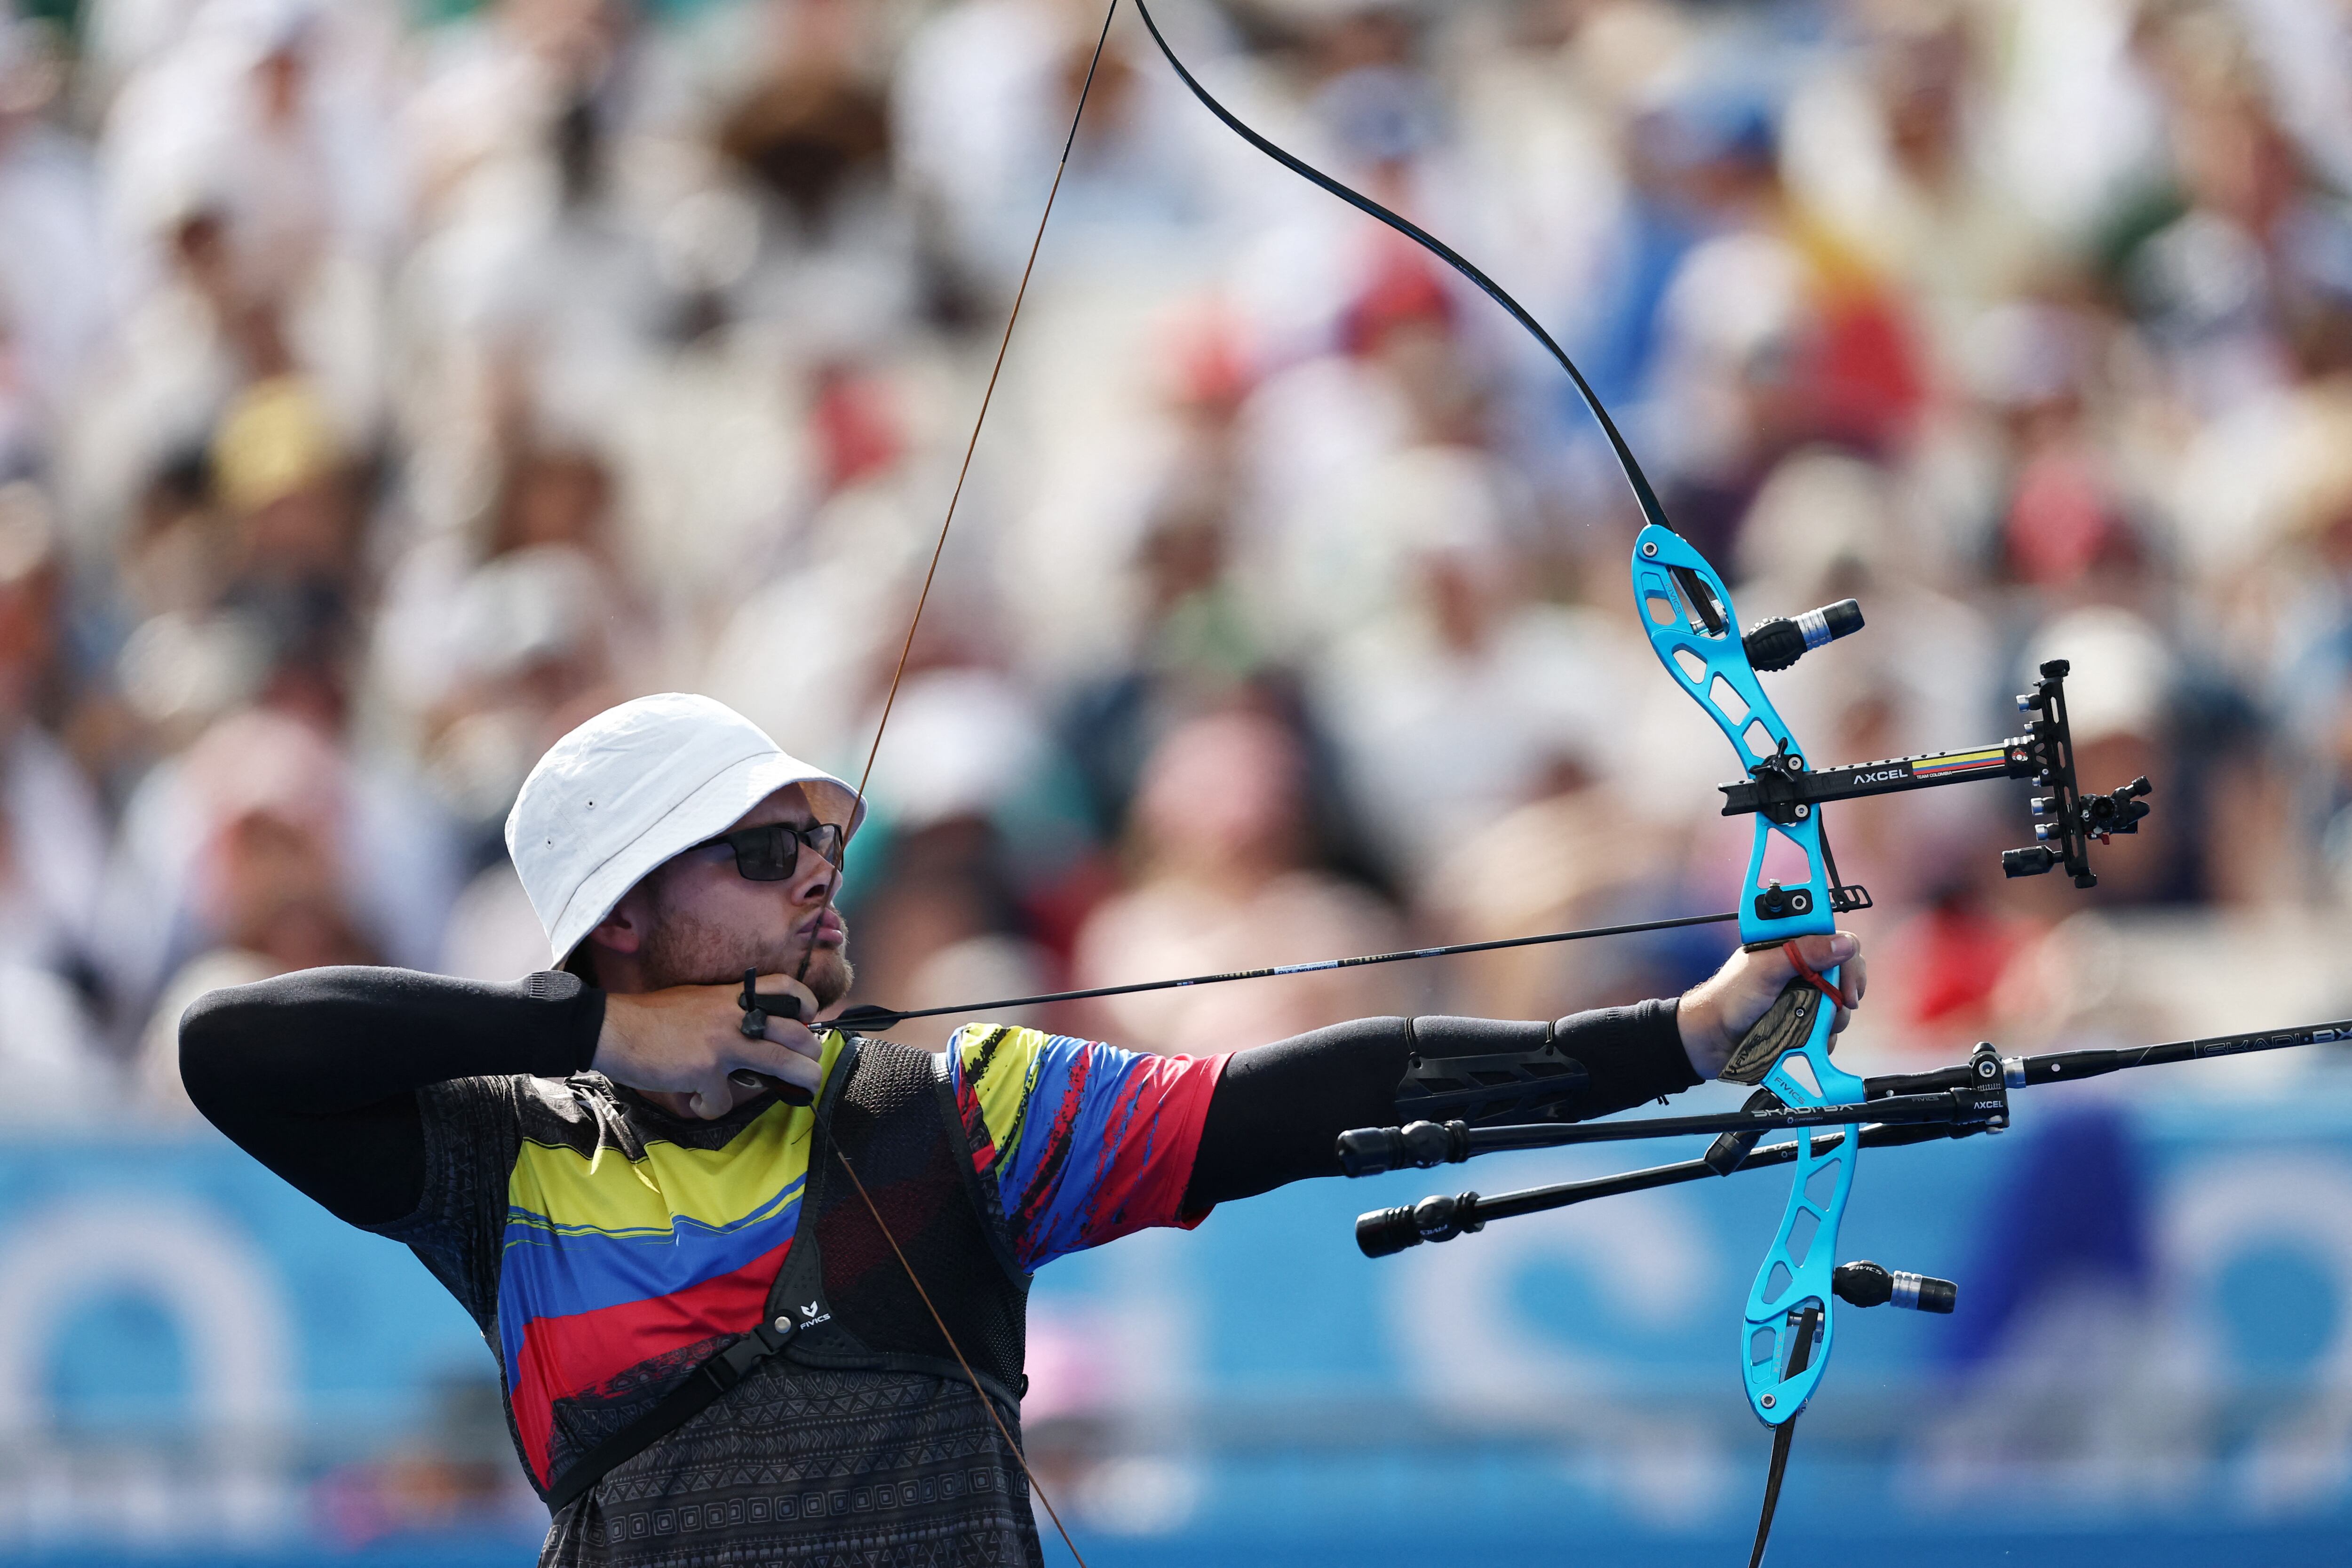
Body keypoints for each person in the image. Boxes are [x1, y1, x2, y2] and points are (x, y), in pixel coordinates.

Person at [178, 692, 1866, 1568]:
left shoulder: (957, 1108)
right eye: (758, 854)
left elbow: (1304, 1104)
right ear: (622, 918)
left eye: (818, 843)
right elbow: (233, 1051)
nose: (816, 874)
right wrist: (601, 1035)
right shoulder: (514, 1157)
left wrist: (1685, 1034)